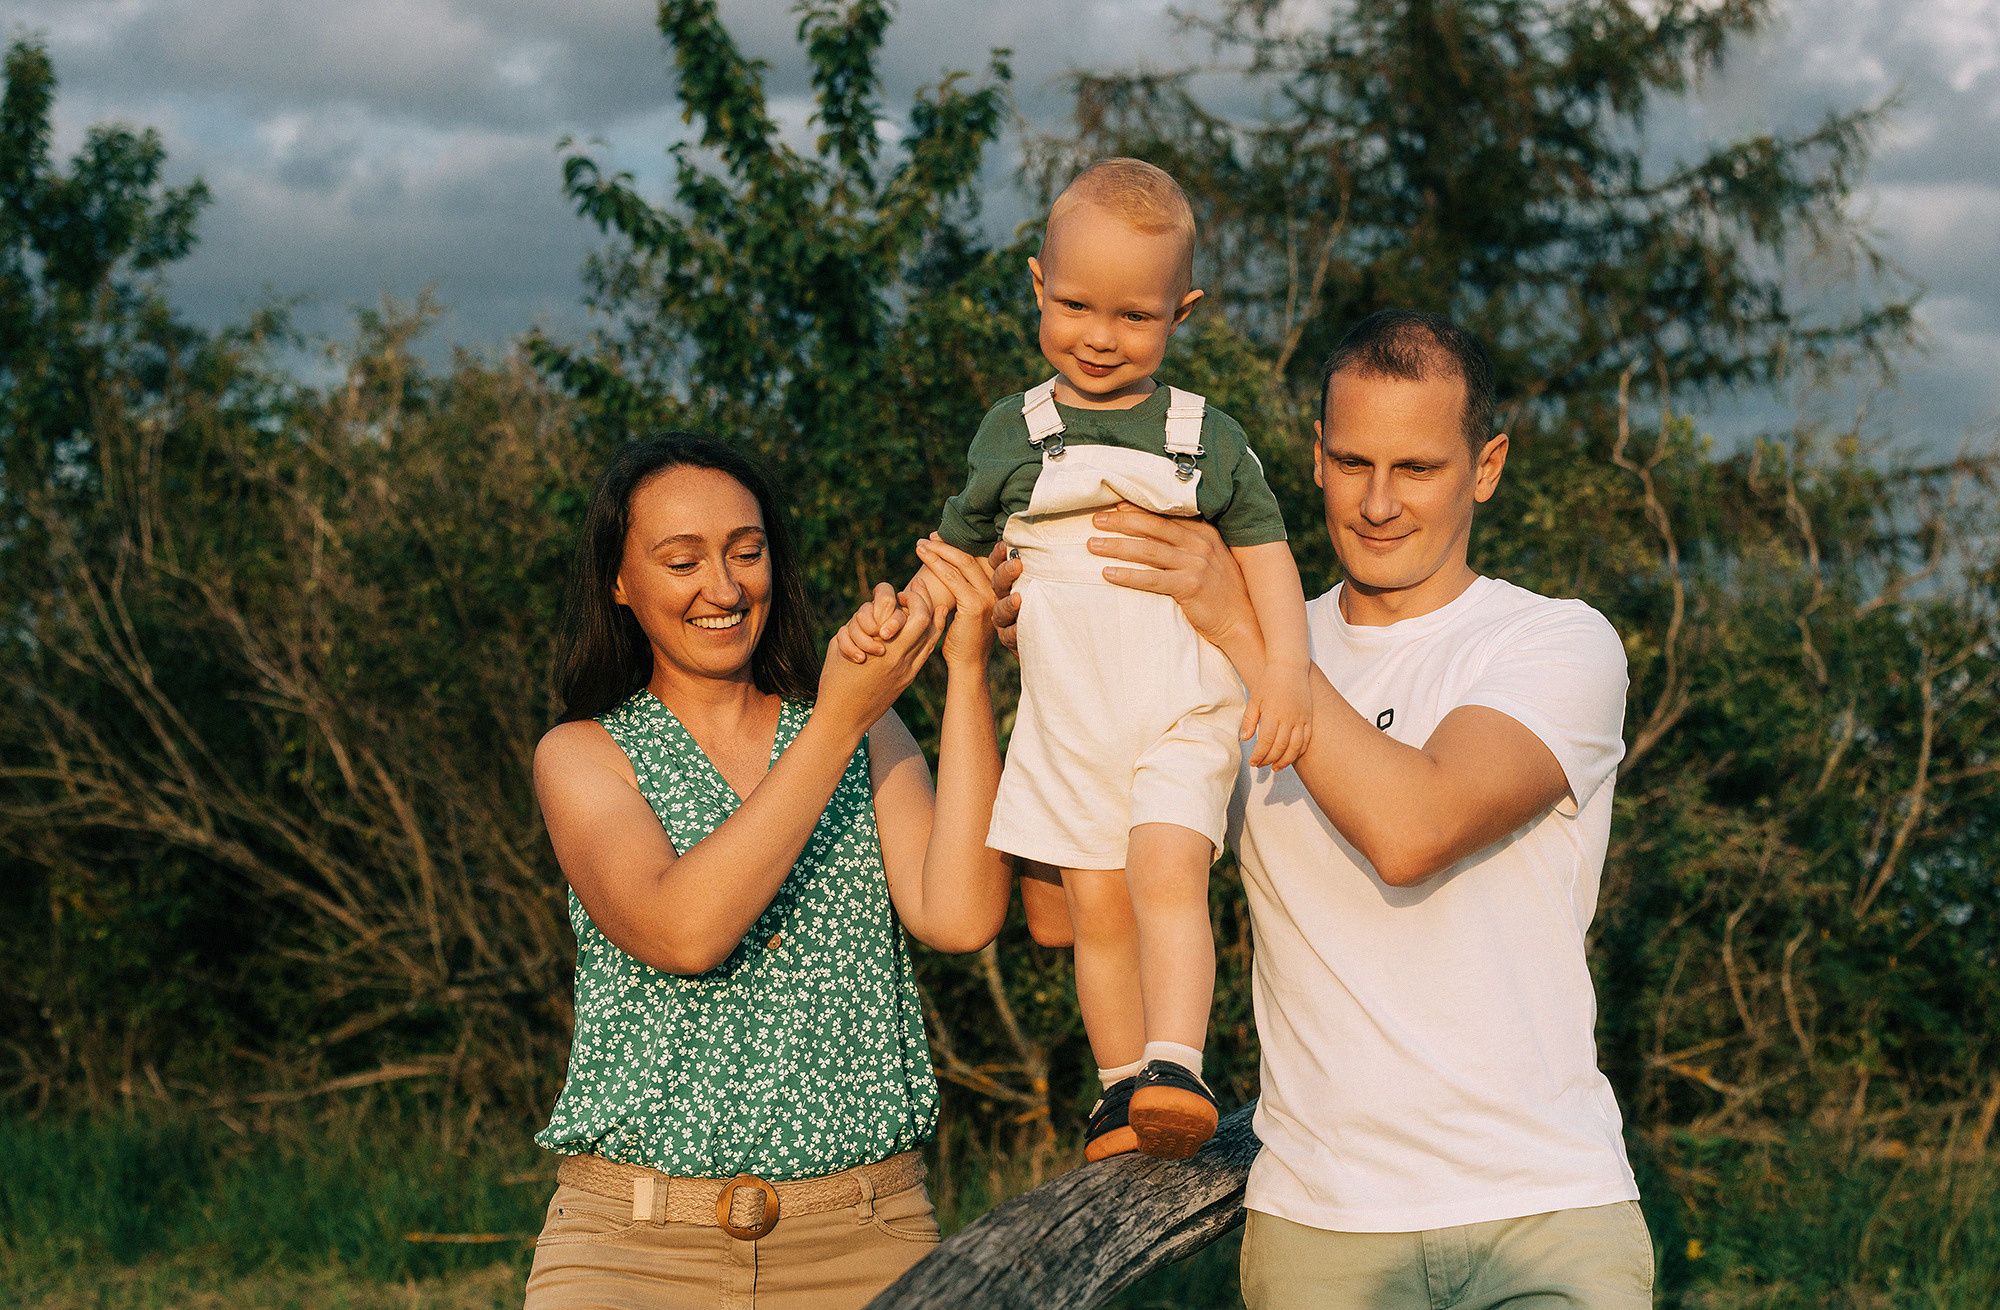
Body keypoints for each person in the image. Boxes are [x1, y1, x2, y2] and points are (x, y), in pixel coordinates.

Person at [998, 311, 1654, 1307]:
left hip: (1541, 1214)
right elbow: (1068, 913)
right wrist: (1059, 667)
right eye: (1352, 462)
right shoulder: (1224, 651)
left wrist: (1240, 625)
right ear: (1313, 457)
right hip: (1318, 1233)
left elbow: (1414, 829)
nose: (1378, 503)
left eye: (1416, 468)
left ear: (1486, 466)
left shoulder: (1556, 641)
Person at [846, 158, 1312, 1164]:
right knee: (1097, 907)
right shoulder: (1014, 432)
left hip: (1182, 710)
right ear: (1036, 285)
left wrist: (1284, 671)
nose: (1099, 336)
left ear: (1181, 311)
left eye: (1134, 316)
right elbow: (956, 558)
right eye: (1074, 306)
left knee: (1165, 871)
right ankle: (1118, 1093)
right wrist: (901, 620)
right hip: (1068, 723)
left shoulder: (1201, 435)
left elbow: (1268, 553)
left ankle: (1176, 1064)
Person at [525, 434, 1011, 1310]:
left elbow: (961, 915)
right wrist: (838, 720)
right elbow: (685, 933)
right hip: (628, 1251)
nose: (723, 588)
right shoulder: (583, 754)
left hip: (867, 1238)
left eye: (746, 554)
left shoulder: (868, 729)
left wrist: (967, 667)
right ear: (618, 581)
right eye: (682, 562)